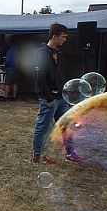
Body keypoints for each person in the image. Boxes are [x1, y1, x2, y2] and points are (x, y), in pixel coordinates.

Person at [32, 23, 72, 164]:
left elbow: (59, 74)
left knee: (66, 126)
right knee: (43, 128)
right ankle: (38, 156)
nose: (65, 40)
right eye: (63, 37)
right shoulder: (41, 54)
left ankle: (70, 153)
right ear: (54, 36)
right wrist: (48, 98)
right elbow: (39, 78)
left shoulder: (59, 53)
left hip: (62, 97)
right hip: (49, 99)